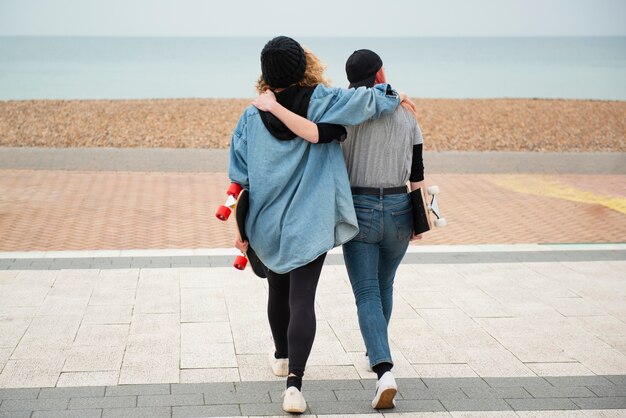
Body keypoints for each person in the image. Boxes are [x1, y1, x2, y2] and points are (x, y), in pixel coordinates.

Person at [229, 36, 403, 414]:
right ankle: (294, 385)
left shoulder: (251, 114)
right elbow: (374, 98)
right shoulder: (324, 101)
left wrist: (241, 230)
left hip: (266, 222)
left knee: (277, 288)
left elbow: (239, 177)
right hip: (310, 221)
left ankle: (280, 357)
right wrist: (394, 94)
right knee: (302, 298)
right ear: (303, 66)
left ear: (266, 73)